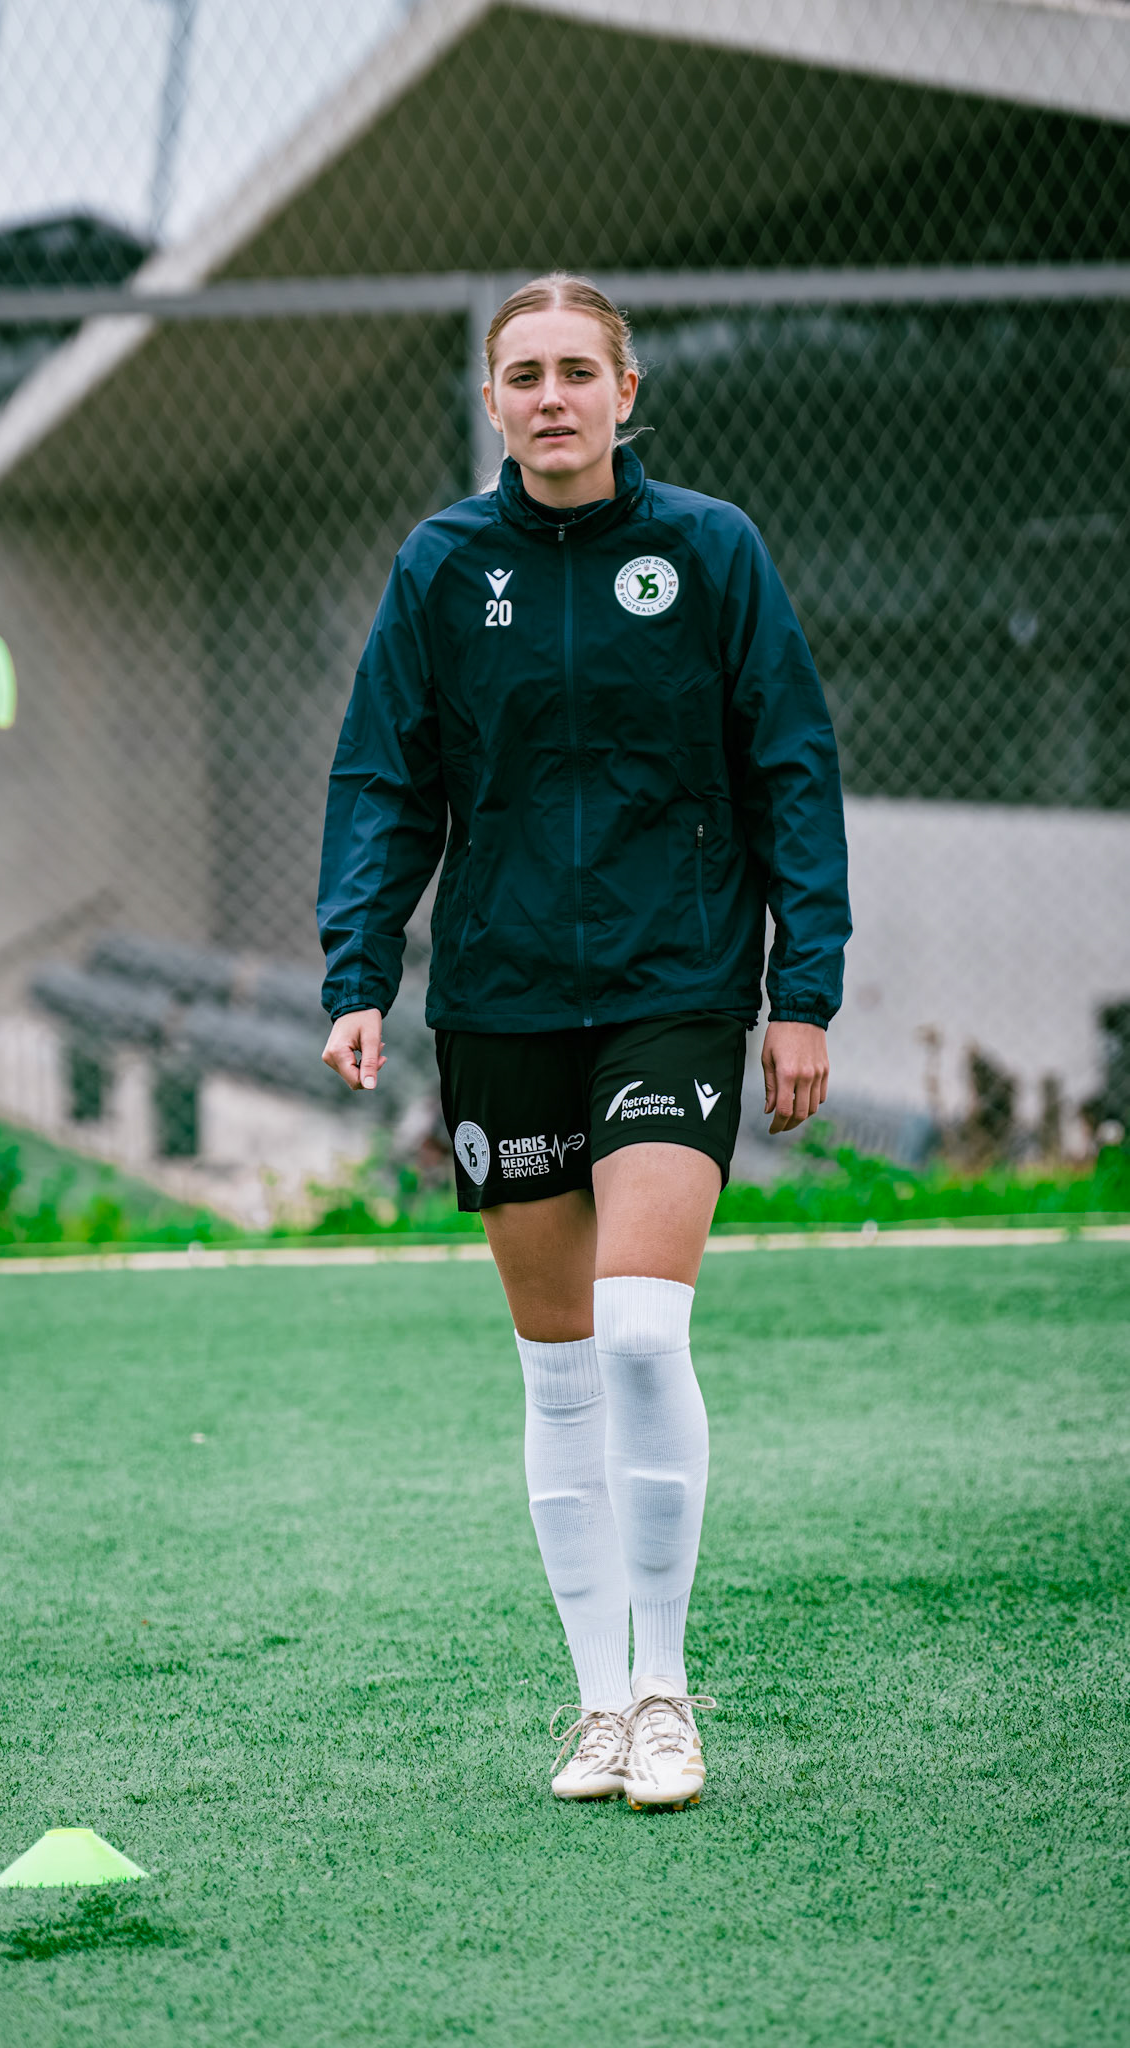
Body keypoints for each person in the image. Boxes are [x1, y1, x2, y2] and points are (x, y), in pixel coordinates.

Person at [317, 273, 850, 1810]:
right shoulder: (440, 568)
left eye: (575, 372)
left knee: (636, 1333)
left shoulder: (709, 551)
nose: (550, 397)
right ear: (492, 403)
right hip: (496, 997)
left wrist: (799, 985)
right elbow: (384, 783)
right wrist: (358, 970)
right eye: (522, 375)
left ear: (626, 394)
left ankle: (672, 1689)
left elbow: (790, 769)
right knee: (554, 1371)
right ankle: (596, 1703)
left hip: (675, 979)